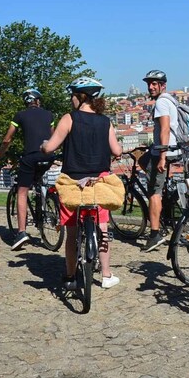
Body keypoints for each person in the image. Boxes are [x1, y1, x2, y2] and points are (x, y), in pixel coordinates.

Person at [41, 77, 123, 289]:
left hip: (72, 183)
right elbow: (117, 151)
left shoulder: (69, 118)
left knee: (72, 234)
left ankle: (70, 277)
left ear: (80, 97)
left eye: (72, 96)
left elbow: (50, 147)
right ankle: (106, 275)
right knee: (102, 227)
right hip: (100, 182)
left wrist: (43, 147)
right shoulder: (105, 122)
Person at [0, 89, 55, 250]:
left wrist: (0, 153)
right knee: (38, 178)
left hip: (31, 156)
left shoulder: (19, 115)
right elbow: (54, 136)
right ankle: (44, 200)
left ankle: (21, 232)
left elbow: (8, 138)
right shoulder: (49, 115)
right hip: (48, 155)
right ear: (39, 101)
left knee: (22, 191)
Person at [138, 69, 179, 252]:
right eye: (149, 84)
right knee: (144, 159)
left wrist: (162, 156)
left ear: (163, 86)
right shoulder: (171, 100)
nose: (151, 86)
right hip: (170, 149)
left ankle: (154, 234)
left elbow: (164, 129)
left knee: (154, 192)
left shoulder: (162, 103)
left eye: (155, 84)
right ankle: (165, 207)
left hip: (164, 152)